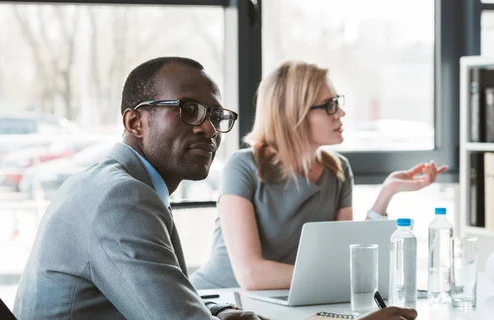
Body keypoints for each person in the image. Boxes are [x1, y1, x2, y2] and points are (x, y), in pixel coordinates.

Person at [13, 57, 420, 320]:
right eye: (188, 110)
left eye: (216, 116)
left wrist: (218, 314)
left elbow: (145, 303)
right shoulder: (121, 201)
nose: (208, 128)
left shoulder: (113, 185)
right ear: (135, 121)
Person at [191, 60, 447, 291]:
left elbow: (345, 256)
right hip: (219, 298)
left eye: (338, 102)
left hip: (283, 300)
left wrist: (387, 192)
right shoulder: (242, 166)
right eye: (330, 106)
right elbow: (251, 275)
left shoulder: (338, 170)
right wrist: (341, 275)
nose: (341, 114)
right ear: (295, 114)